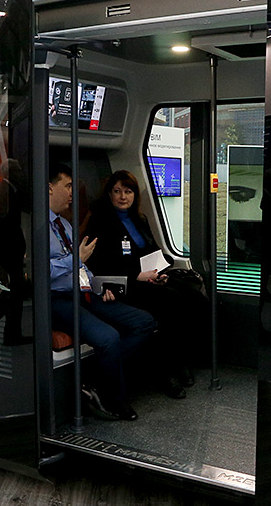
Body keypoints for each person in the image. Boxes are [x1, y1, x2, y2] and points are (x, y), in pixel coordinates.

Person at [49, 164, 155, 420]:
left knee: (144, 322)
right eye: (68, 186)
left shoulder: (65, 224)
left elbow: (83, 266)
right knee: (109, 338)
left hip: (85, 290)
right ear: (50, 188)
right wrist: (75, 259)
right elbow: (42, 271)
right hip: (57, 298)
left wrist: (99, 286)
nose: (73, 192)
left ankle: (93, 380)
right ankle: (114, 400)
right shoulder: (38, 227)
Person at [83, 169, 197, 399]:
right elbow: (98, 265)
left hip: (148, 279)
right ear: (109, 194)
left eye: (128, 191)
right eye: (117, 191)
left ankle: (178, 360)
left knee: (188, 297)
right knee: (169, 303)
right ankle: (166, 371)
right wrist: (137, 275)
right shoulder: (100, 221)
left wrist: (160, 273)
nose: (123, 197)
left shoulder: (139, 219)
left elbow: (154, 251)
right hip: (124, 284)